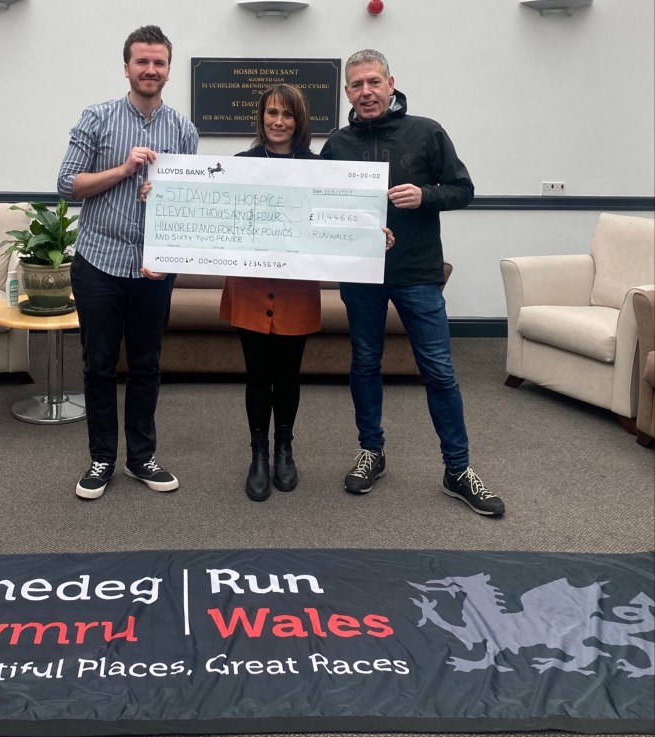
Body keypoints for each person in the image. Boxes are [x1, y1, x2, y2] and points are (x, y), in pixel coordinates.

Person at [320, 49, 505, 517]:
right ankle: (371, 451)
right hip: (361, 274)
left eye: (373, 82)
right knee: (365, 363)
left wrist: (426, 195)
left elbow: (463, 190)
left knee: (439, 371)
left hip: (418, 273)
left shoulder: (427, 132)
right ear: (347, 92)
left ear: (390, 84)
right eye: (357, 85)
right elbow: (321, 206)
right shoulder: (337, 144)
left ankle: (457, 469)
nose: (366, 92)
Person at [219, 84, 396, 503]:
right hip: (250, 286)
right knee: (257, 374)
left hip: (296, 288)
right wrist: (162, 197)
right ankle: (258, 455)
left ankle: (284, 449)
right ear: (261, 117)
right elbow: (215, 212)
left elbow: (342, 214)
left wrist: (373, 235)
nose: (279, 122)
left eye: (288, 115)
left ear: (299, 121)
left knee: (288, 373)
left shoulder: (320, 168)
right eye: (272, 113)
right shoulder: (239, 165)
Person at [57, 25, 198, 501]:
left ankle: (141, 458)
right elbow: (67, 185)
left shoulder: (183, 130)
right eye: (142, 62)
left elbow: (189, 203)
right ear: (126, 68)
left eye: (159, 63)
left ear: (168, 70)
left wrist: (168, 198)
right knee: (98, 365)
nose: (150, 70)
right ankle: (101, 458)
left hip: (153, 269)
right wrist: (124, 170)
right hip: (99, 263)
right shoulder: (97, 118)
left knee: (146, 365)